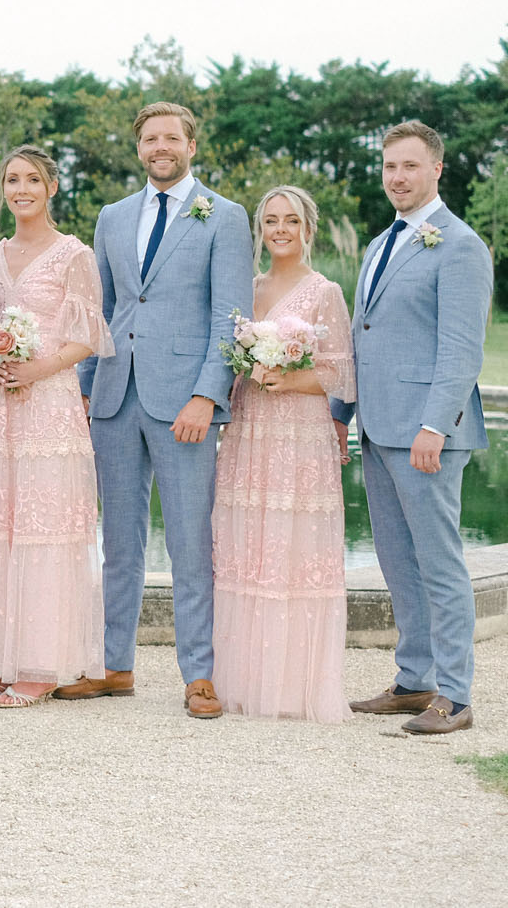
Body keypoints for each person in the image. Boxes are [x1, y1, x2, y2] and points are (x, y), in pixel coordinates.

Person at [63, 101, 251, 718]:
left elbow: (231, 315)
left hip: (184, 404)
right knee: (119, 541)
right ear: (138, 147)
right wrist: (89, 387)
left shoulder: (224, 217)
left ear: (191, 146)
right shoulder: (113, 217)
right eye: (150, 139)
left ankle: (199, 675)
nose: (160, 148)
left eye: (172, 138)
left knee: (192, 542)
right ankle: (116, 666)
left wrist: (206, 394)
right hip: (116, 398)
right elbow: (103, 311)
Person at [333, 122, 493, 735]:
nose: (396, 177)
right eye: (389, 166)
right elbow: (359, 340)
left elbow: (461, 350)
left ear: (436, 171)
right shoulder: (379, 245)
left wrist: (435, 425)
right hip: (378, 429)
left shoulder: (459, 245)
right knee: (399, 563)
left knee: (439, 562)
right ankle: (414, 679)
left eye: (409, 166)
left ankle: (454, 694)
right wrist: (341, 417)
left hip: (427, 435)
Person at [0, 146, 111, 707]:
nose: (21, 189)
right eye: (12, 180)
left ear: (51, 187)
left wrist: (37, 367)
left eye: (33, 180)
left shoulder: (74, 255)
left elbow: (87, 337)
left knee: (43, 528)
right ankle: (1, 655)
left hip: (48, 406)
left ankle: (43, 665)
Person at [210, 186, 354, 722]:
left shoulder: (325, 292)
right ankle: (243, 679)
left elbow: (341, 372)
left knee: (293, 550)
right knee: (248, 544)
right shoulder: (245, 291)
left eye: (290, 220)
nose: (280, 230)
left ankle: (294, 687)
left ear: (308, 228)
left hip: (299, 437)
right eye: (270, 221)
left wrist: (285, 379)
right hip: (250, 432)